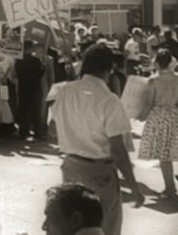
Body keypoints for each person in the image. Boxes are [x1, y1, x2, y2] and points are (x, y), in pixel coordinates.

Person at [52, 44, 144, 235]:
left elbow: (51, 130)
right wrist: (134, 187)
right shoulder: (108, 100)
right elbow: (118, 151)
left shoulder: (63, 91)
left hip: (70, 166)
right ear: (108, 70)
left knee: (72, 227)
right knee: (103, 227)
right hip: (99, 172)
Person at [137, 49, 178, 198]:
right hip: (173, 113)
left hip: (159, 114)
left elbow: (150, 102)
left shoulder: (154, 80)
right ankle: (170, 187)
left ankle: (170, 188)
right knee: (167, 152)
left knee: (163, 154)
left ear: (157, 62)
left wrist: (142, 116)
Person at [15, 40, 46, 140]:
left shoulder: (18, 61)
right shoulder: (36, 61)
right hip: (34, 88)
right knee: (36, 111)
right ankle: (38, 134)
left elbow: (17, 73)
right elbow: (40, 74)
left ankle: (23, 132)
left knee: (24, 110)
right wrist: (43, 65)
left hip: (23, 87)